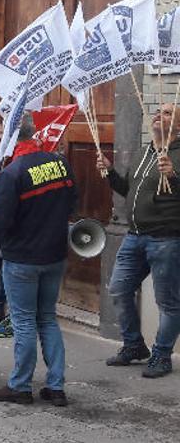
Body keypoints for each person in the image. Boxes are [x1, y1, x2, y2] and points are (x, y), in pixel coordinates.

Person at [0, 113, 76, 405]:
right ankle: (56, 386)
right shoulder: (60, 162)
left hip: (22, 258)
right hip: (54, 254)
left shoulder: (12, 173)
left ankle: (21, 386)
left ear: (13, 137)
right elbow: (72, 202)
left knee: (23, 321)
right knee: (48, 319)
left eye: (0, 135)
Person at [97, 103, 180, 378]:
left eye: (168, 113)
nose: (159, 114)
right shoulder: (145, 153)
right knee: (119, 290)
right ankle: (134, 345)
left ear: (178, 127)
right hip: (134, 237)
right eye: (159, 111)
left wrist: (174, 177)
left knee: (168, 302)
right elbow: (127, 189)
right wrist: (110, 173)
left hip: (166, 239)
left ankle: (162, 355)